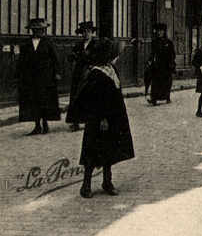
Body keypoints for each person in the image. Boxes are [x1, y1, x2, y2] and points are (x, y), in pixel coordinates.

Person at [74, 38, 134, 198]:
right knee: (92, 152)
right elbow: (94, 100)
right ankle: (86, 185)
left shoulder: (111, 69)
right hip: (99, 120)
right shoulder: (96, 74)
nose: (116, 57)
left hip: (113, 117)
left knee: (109, 151)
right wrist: (102, 119)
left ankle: (107, 181)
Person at [16, 18, 62, 135]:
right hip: (31, 77)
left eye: (41, 29)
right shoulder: (26, 44)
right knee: (33, 101)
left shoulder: (48, 42)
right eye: (36, 30)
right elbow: (22, 61)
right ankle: (37, 125)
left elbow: (55, 58)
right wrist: (20, 75)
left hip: (46, 77)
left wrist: (57, 73)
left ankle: (45, 124)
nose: (39, 32)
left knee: (45, 100)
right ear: (32, 30)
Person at [66, 21, 97, 131]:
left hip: (91, 73)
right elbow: (71, 57)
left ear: (92, 33)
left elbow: (98, 58)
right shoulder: (78, 45)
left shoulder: (95, 45)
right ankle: (75, 121)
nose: (86, 34)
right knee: (76, 96)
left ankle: (89, 120)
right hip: (79, 73)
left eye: (88, 32)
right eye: (83, 32)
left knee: (89, 97)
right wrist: (72, 57)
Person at [147, 23, 175, 105]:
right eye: (158, 31)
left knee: (167, 82)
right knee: (155, 82)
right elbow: (152, 53)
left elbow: (172, 54)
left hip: (167, 65)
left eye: (161, 31)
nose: (159, 33)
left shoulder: (169, 42)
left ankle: (167, 97)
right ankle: (154, 99)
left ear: (164, 32)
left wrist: (171, 63)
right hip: (157, 65)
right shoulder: (155, 42)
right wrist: (150, 60)